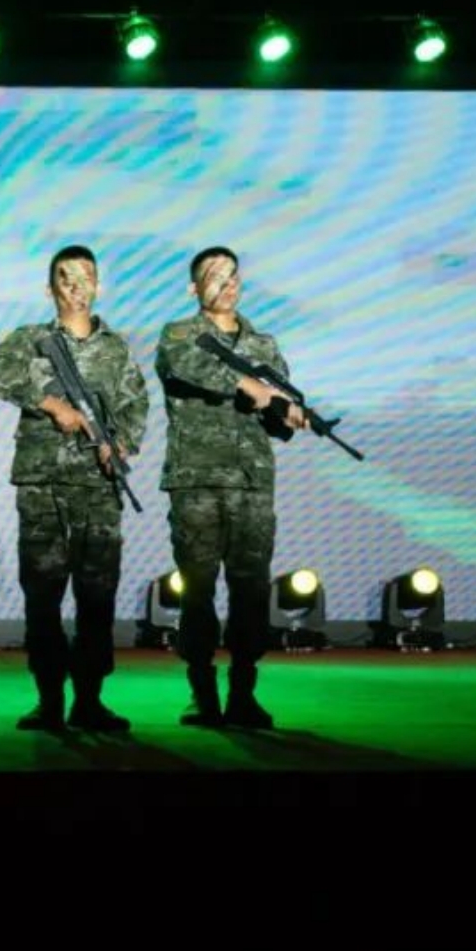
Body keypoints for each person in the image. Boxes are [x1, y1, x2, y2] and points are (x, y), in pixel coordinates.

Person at [0, 246, 147, 731]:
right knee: (42, 594)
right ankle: (49, 699)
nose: (76, 288)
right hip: (44, 484)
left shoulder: (116, 349)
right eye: (65, 279)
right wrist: (51, 404)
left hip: (99, 485)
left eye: (85, 278)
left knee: (97, 595)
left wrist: (119, 444)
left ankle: (89, 700)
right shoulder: (30, 340)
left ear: (99, 286)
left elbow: (136, 404)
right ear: (49, 289)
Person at [154, 246, 301, 729]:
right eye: (214, 275)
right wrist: (250, 387)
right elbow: (187, 368)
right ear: (194, 288)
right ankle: (202, 692)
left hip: (252, 484)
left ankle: (243, 691)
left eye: (233, 275)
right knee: (197, 589)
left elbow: (277, 413)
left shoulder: (264, 344)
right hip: (197, 480)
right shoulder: (179, 334)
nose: (227, 283)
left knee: (251, 590)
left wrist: (288, 413)